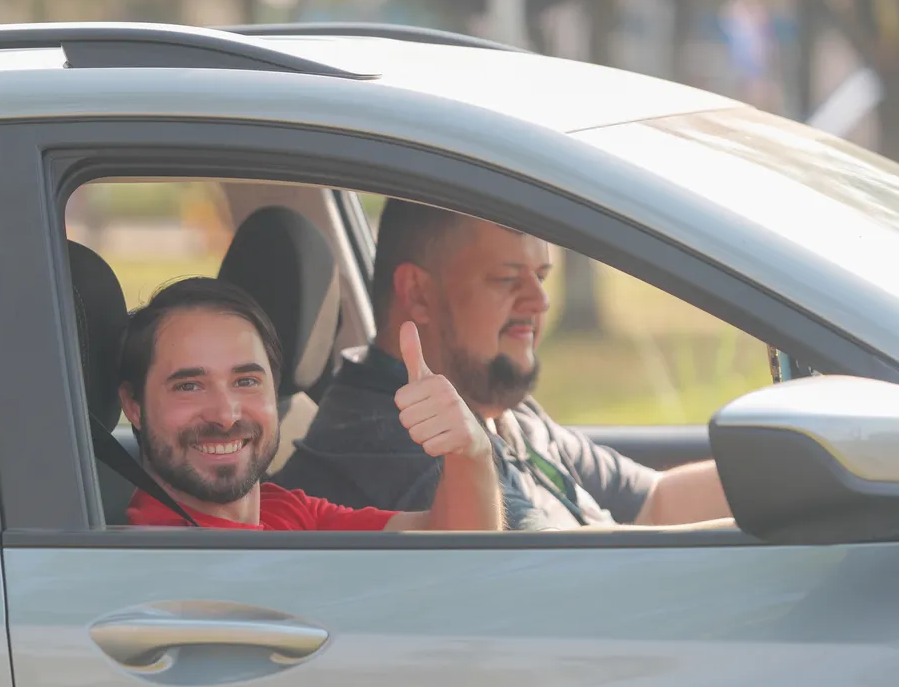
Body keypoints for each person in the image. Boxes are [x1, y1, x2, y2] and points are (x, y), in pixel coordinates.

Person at [274, 199, 733, 530]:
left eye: (541, 276)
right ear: (417, 293)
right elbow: (571, 579)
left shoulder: (494, 407)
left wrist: (791, 475)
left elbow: (655, 501)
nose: (540, 301)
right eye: (506, 280)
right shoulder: (397, 450)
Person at [117, 277, 503, 531]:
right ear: (133, 406)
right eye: (189, 386)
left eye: (246, 381)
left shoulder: (282, 511)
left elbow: (454, 545)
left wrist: (470, 450)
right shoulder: (159, 547)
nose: (225, 414)